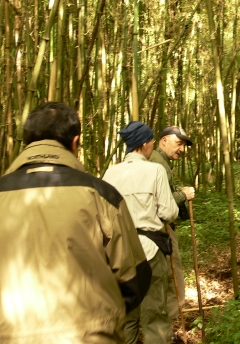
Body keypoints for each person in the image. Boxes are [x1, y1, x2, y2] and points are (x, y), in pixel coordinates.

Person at [0, 102, 151, 344]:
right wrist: (104, 319)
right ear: (75, 142)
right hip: (88, 336)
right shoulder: (101, 195)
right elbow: (135, 276)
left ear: (26, 143)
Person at [103, 121, 179, 344]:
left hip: (119, 252)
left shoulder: (110, 173)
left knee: (126, 314)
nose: (152, 146)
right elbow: (169, 212)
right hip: (150, 250)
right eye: (152, 142)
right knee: (155, 314)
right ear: (144, 144)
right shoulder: (155, 170)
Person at [149, 126, 196, 332]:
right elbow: (160, 202)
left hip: (154, 230)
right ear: (164, 140)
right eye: (178, 144)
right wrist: (183, 195)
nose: (182, 149)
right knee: (171, 281)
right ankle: (162, 332)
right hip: (160, 230)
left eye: (184, 146)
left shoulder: (159, 161)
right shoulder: (157, 163)